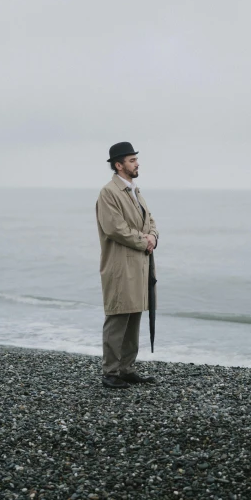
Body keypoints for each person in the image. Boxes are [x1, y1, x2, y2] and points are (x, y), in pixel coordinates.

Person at [96, 142, 159, 389]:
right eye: (132, 160)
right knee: (118, 316)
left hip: (140, 265)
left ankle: (126, 368)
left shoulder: (135, 190)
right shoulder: (108, 192)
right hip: (120, 265)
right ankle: (110, 372)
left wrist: (153, 236)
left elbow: (150, 219)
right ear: (118, 165)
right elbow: (114, 228)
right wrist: (144, 241)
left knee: (134, 316)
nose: (137, 163)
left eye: (136, 159)